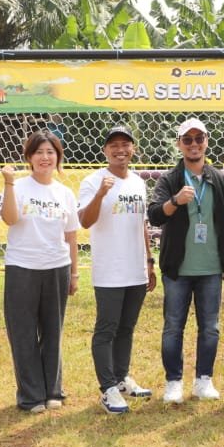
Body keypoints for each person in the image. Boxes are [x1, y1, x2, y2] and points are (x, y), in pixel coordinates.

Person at [148, 118, 224, 403]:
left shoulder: (219, 178)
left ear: (207, 141)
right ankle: (173, 382)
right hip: (178, 268)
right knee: (174, 326)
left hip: (211, 266)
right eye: (188, 140)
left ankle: (203, 381)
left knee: (209, 326)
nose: (194, 144)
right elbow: (155, 214)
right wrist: (175, 201)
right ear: (179, 144)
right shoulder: (170, 179)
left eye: (199, 139)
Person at [79, 126, 156, 415]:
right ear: (105, 151)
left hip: (136, 268)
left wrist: (149, 262)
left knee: (127, 327)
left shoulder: (138, 182)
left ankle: (122, 378)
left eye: (125, 144)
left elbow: (143, 225)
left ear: (133, 149)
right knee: (107, 328)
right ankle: (107, 388)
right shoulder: (92, 181)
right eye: (114, 145)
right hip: (109, 269)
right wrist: (100, 194)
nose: (120, 149)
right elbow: (85, 221)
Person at [0, 132, 78, 414]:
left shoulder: (65, 193)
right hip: (22, 267)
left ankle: (53, 390)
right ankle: (31, 395)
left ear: (58, 157)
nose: (45, 157)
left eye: (50, 152)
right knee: (22, 333)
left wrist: (74, 273)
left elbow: (71, 236)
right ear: (29, 157)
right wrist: (8, 184)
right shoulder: (18, 187)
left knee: (52, 331)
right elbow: (10, 218)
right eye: (39, 152)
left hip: (57, 267)